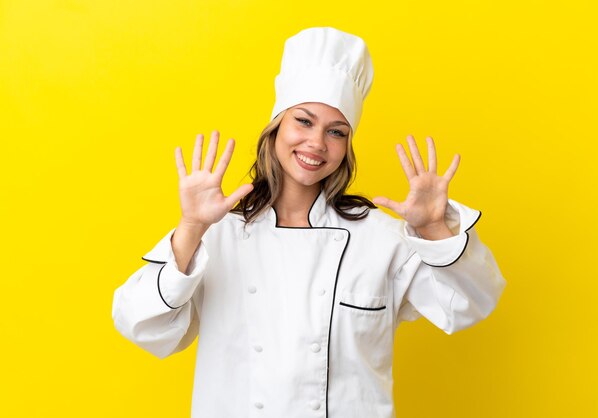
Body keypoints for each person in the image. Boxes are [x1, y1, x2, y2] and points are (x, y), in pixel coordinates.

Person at [112, 27, 506, 418]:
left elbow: (471, 304)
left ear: (347, 146)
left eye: (336, 132)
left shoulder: (381, 238)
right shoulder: (218, 236)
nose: (317, 143)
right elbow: (143, 326)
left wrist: (435, 229)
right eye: (303, 121)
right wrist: (191, 228)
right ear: (276, 126)